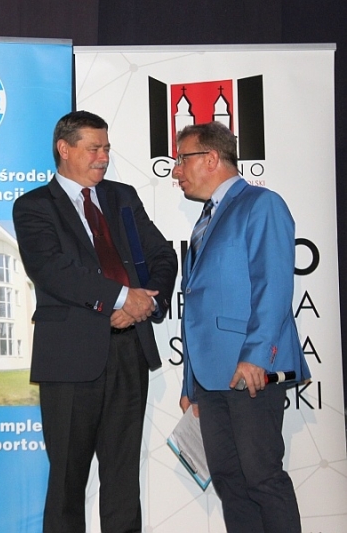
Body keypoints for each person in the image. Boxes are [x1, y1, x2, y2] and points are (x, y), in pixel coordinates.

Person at [13, 110, 177, 533]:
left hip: (129, 352)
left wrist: (146, 303)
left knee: (123, 481)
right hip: (70, 359)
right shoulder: (34, 206)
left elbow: (162, 255)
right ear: (64, 149)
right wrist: (122, 297)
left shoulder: (123, 197)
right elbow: (53, 271)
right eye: (93, 148)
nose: (103, 157)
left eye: (106, 148)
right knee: (67, 484)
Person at [174, 121, 310, 533]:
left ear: (211, 158)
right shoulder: (207, 217)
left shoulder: (261, 204)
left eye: (182, 159)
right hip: (211, 378)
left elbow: (274, 285)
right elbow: (198, 305)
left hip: (250, 370)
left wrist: (257, 356)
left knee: (262, 478)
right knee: (230, 482)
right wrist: (191, 382)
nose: (176, 171)